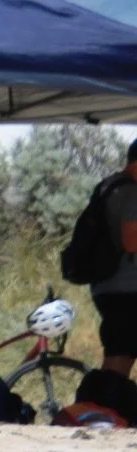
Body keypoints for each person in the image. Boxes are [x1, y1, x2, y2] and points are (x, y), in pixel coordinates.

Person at [90, 139, 137, 378]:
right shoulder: (130, 192)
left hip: (106, 286)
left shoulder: (107, 186)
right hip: (125, 291)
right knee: (119, 357)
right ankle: (104, 408)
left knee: (122, 353)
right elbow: (131, 241)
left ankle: (111, 408)